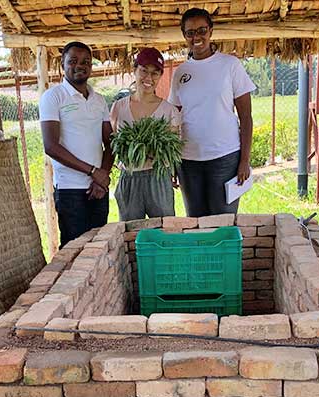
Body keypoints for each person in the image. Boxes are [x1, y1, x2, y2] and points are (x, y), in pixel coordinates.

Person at [168, 8, 256, 218]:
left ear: (211, 31)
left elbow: (246, 117)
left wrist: (244, 160)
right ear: (184, 36)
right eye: (190, 33)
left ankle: (224, 252)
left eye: (201, 30)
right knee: (196, 222)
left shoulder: (230, 65)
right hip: (188, 161)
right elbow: (174, 119)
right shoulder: (181, 73)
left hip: (225, 157)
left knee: (223, 222)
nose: (196, 37)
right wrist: (171, 161)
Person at [39, 41, 114, 247]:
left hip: (98, 189)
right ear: (62, 64)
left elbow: (110, 142)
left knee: (98, 248)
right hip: (70, 189)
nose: (79, 65)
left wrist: (102, 177)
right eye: (73, 61)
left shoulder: (99, 100)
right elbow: (51, 146)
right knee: (74, 251)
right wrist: (92, 171)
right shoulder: (53, 97)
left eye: (86, 62)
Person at [110, 48, 182, 221]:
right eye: (143, 71)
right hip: (129, 177)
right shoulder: (118, 108)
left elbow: (172, 149)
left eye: (155, 73)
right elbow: (114, 142)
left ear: (160, 76)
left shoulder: (169, 110)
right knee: (130, 232)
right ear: (134, 70)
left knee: (164, 230)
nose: (148, 78)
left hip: (158, 177)